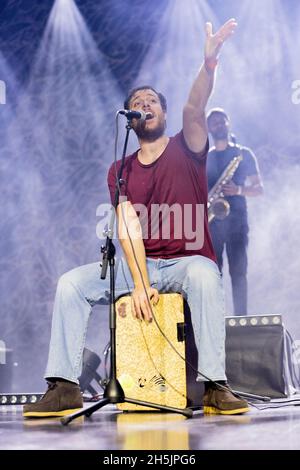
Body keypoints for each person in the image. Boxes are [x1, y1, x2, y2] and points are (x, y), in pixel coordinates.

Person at [23, 18, 250, 418]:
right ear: (130, 118)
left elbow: (194, 106)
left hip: (185, 261)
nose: (144, 105)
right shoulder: (120, 168)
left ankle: (215, 384)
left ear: (162, 112)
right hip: (138, 264)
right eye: (138, 103)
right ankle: (63, 386)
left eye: (151, 101)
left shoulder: (187, 146)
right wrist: (141, 285)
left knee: (203, 274)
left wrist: (209, 64)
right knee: (71, 284)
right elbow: (126, 225)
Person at [207, 109, 263, 315]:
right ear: (209, 128)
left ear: (229, 123)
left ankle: (241, 318)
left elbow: (260, 189)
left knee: (239, 273)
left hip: (238, 223)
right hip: (212, 224)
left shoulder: (243, 154)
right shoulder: (205, 158)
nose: (219, 125)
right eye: (214, 122)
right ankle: (215, 319)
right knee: (213, 275)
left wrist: (238, 190)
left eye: (222, 121)